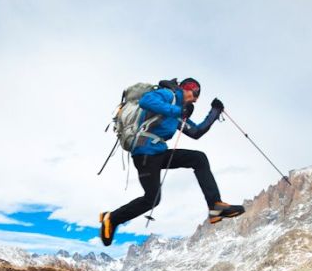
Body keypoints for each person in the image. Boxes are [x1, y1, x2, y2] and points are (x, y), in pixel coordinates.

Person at [99, 78, 245, 246]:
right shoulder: (168, 95)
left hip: (158, 153)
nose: (196, 99)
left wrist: (214, 112)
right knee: (152, 199)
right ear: (186, 88)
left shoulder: (178, 112)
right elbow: (147, 100)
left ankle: (215, 207)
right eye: (196, 92)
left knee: (199, 158)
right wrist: (178, 110)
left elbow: (196, 132)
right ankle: (112, 218)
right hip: (144, 153)